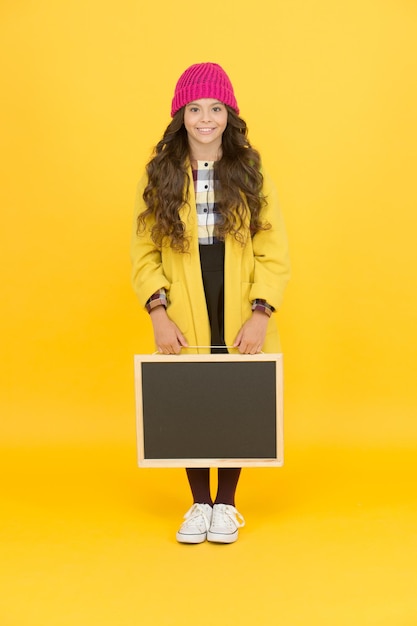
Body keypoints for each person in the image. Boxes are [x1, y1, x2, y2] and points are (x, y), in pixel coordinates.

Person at [131, 62, 290, 544]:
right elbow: (143, 250)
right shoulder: (158, 173)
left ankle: (228, 505)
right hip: (184, 297)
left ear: (229, 114)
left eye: (216, 108)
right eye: (195, 108)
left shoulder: (250, 172)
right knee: (190, 393)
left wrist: (261, 311)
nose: (205, 118)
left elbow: (274, 249)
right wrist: (158, 311)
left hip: (239, 293)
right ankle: (199, 503)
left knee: (237, 391)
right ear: (181, 116)